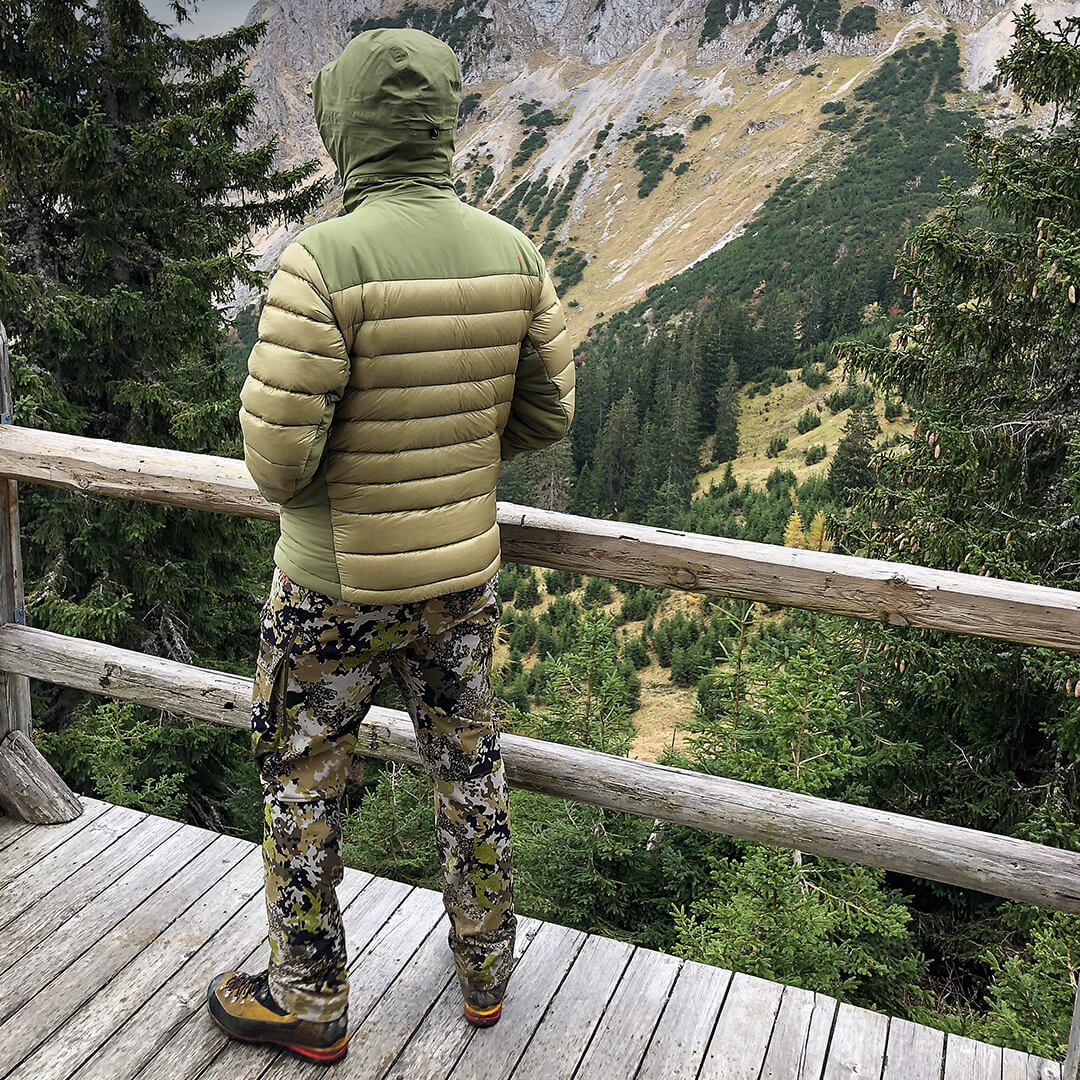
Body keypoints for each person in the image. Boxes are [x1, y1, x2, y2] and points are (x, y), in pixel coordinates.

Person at [204, 26, 574, 1066]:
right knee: (469, 766)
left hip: (332, 587)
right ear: (439, 121)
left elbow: (277, 463)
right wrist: (451, 453)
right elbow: (547, 415)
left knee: (302, 776)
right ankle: (487, 973)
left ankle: (307, 998)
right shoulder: (514, 251)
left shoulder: (323, 259)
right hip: (461, 579)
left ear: (347, 124)